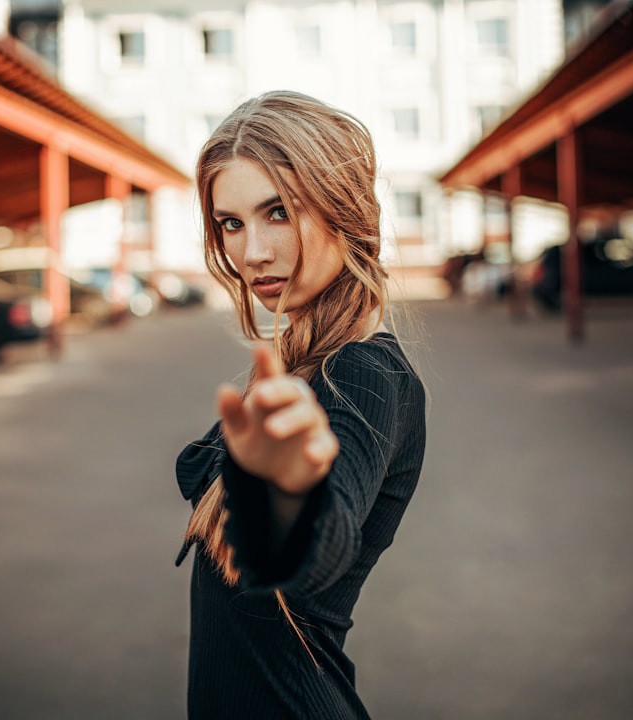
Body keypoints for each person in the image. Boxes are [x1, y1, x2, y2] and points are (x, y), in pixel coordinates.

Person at [175, 90, 427, 719]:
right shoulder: (304, 360)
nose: (250, 251)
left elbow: (322, 545)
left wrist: (290, 499)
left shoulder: (364, 372)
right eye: (231, 222)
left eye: (279, 212)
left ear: (346, 211)